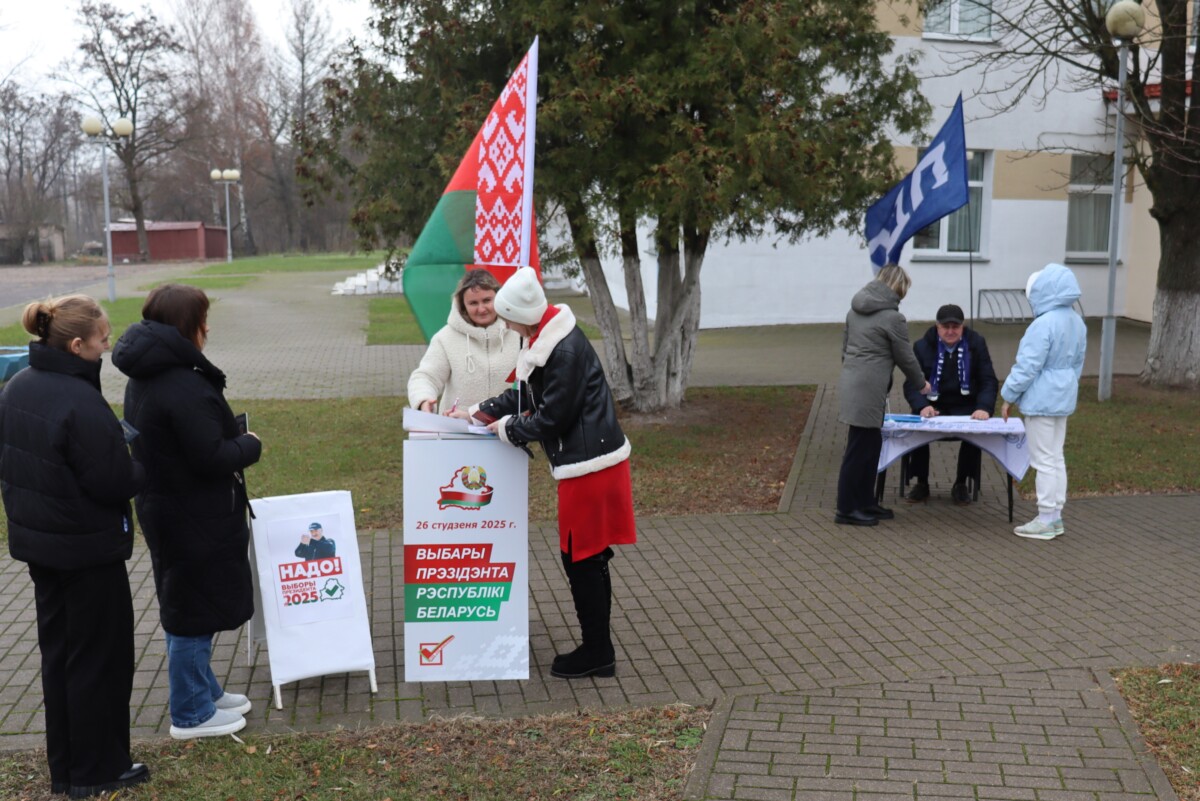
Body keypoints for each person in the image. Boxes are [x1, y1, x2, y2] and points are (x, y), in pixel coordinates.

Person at [449, 266, 635, 679]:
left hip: (591, 469)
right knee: (584, 557)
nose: (503, 322)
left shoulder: (562, 349)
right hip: (584, 466)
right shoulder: (542, 336)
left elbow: (551, 418)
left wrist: (504, 430)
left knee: (582, 558)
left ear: (522, 314)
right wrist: (478, 414)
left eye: (506, 315)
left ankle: (598, 652)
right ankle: (597, 647)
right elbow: (524, 392)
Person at [0, 295, 150, 798]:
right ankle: (98, 771)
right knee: (99, 663)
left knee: (60, 658)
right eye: (104, 340)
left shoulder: (18, 385)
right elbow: (112, 480)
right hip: (87, 552)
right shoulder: (79, 400)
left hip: (41, 548)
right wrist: (139, 465)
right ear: (78, 344)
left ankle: (66, 769)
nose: (109, 348)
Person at [112, 284, 262, 739]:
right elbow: (209, 456)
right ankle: (191, 713)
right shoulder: (179, 382)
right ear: (184, 325)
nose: (208, 327)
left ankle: (205, 690)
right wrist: (249, 446)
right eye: (202, 318)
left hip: (173, 506)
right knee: (190, 611)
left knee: (195, 600)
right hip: (189, 512)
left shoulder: (153, 371)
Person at [836, 264, 931, 526]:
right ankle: (846, 509)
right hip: (869, 387)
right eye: (903, 290)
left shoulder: (853, 310)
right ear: (897, 287)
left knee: (870, 447)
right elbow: (905, 356)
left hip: (853, 382)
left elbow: (845, 349)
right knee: (859, 449)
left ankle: (866, 502)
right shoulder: (893, 318)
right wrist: (921, 384)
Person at [1000, 263, 1087, 540]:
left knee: (1043, 460)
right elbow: (1077, 363)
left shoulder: (1043, 324)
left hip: (1041, 400)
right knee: (1055, 457)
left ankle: (1047, 517)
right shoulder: (1076, 321)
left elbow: (1027, 366)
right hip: (1062, 398)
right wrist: (1066, 386)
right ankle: (1055, 515)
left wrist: (1008, 396)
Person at [901, 303, 999, 505]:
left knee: (976, 428)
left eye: (955, 327)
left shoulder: (976, 343)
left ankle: (961, 483)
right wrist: (922, 406)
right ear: (937, 327)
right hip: (934, 405)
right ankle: (921, 482)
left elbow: (988, 379)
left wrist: (984, 407)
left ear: (962, 327)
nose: (950, 331)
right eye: (946, 327)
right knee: (918, 423)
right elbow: (911, 383)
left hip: (966, 405)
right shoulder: (921, 346)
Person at [407, 269, 521, 414]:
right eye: (473, 303)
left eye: (487, 300)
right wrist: (423, 400)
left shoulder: (518, 333)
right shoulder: (445, 338)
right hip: (457, 430)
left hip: (507, 429)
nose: (481, 309)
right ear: (463, 306)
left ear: (499, 299)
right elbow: (426, 376)